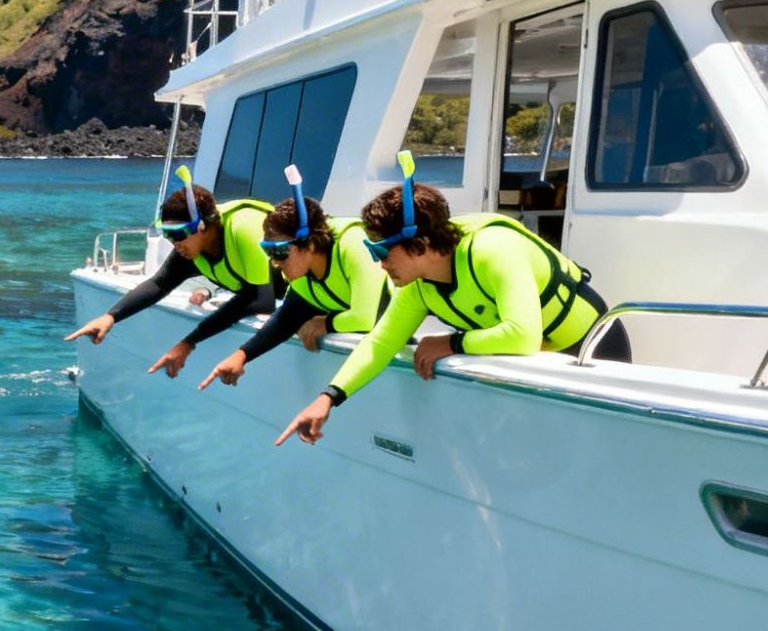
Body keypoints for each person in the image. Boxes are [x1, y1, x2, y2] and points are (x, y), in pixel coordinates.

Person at [277, 151, 631, 445]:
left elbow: (522, 336)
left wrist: (451, 342)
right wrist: (328, 398)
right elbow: (379, 343)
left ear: (422, 244)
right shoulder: (420, 284)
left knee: (603, 452)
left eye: (382, 250)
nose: (378, 262)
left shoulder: (493, 250)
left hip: (592, 349)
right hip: (544, 363)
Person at [63, 178, 279, 379]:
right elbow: (160, 284)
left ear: (202, 226)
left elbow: (261, 300)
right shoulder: (193, 246)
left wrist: (188, 342)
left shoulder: (244, 230)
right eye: (167, 235)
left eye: (177, 234)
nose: (174, 243)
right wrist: (110, 317)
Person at [197, 167, 391, 390]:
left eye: (279, 252)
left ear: (308, 244)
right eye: (268, 252)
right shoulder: (300, 273)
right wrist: (241, 356)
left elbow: (365, 318)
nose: (274, 262)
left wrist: (324, 323)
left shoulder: (353, 246)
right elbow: (286, 319)